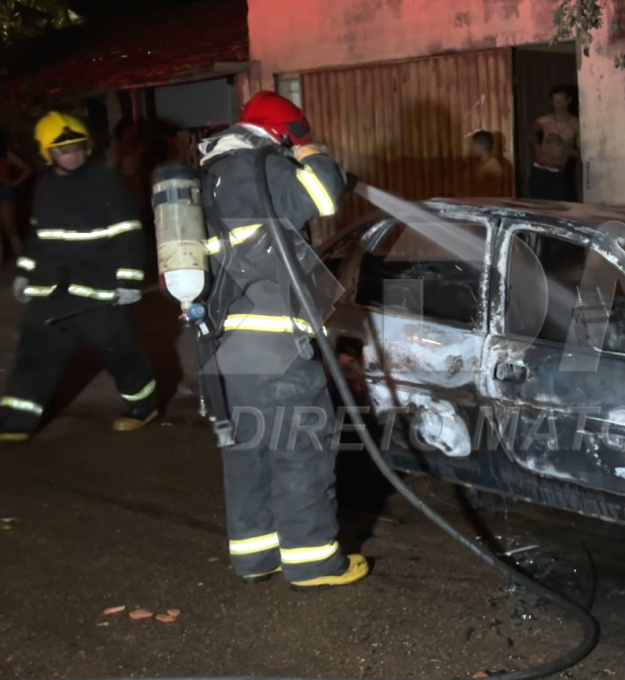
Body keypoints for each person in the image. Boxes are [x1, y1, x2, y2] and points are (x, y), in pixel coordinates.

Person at [195, 91, 367, 590]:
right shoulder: (260, 166)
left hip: (228, 343)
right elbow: (323, 195)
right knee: (300, 445)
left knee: (248, 448)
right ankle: (314, 562)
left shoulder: (212, 175)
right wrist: (311, 151)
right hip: (275, 341)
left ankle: (256, 556)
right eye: (293, 138)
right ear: (282, 132)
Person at [0, 112, 158, 443]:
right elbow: (38, 236)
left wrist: (129, 281)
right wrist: (25, 272)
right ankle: (15, 421)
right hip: (52, 290)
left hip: (98, 292)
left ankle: (144, 406)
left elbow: (128, 233)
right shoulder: (45, 187)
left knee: (119, 353)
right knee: (34, 351)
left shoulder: (104, 181)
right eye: (62, 150)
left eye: (77, 147)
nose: (72, 155)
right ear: (47, 153)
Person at [528, 85, 580, 201]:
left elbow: (580, 155)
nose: (558, 104)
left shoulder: (576, 125)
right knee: (537, 206)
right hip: (539, 171)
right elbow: (531, 133)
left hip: (558, 173)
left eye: (562, 101)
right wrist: (537, 146)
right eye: (555, 101)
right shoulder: (544, 121)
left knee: (559, 207)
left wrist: (560, 142)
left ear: (569, 100)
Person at [0, 129, 33, 265]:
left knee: (11, 230)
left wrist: (13, 183)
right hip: (5, 191)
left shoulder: (4, 153)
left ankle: (23, 262)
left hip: (3, 192)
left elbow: (27, 168)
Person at [469, 130, 508, 197]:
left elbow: (489, 195)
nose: (471, 147)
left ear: (481, 147)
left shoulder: (491, 168)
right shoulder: (484, 165)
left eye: (474, 144)